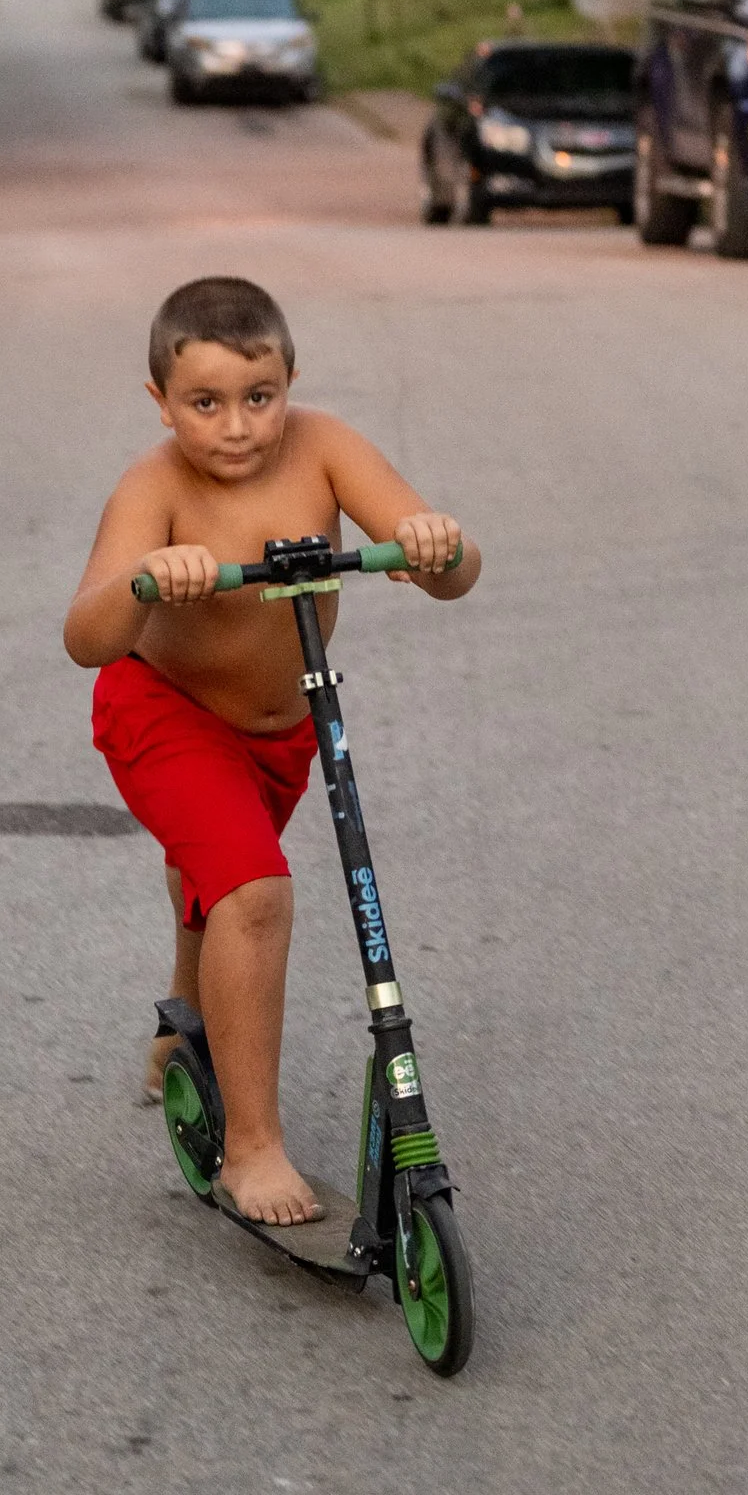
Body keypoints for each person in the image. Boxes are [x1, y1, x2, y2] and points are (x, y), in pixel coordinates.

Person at [63, 277, 480, 1225]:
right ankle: (251, 1148)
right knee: (254, 893)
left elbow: (453, 575)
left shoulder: (325, 448)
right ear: (161, 401)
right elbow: (88, 637)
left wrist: (434, 544)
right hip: (162, 713)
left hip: (285, 730)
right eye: (204, 404)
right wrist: (145, 580)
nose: (238, 426)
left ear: (290, 380)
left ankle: (187, 1024)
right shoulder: (154, 485)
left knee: (220, 879)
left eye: (260, 397)